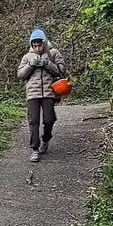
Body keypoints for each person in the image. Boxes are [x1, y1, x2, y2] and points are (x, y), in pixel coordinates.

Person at [17, 28, 67, 163]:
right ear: (31, 45)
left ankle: (46, 139)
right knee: (33, 121)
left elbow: (61, 70)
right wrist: (30, 65)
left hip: (49, 92)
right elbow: (20, 75)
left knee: (49, 120)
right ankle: (35, 149)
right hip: (32, 93)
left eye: (40, 45)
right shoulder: (27, 57)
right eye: (35, 45)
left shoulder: (53, 53)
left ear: (44, 43)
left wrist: (48, 64)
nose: (38, 48)